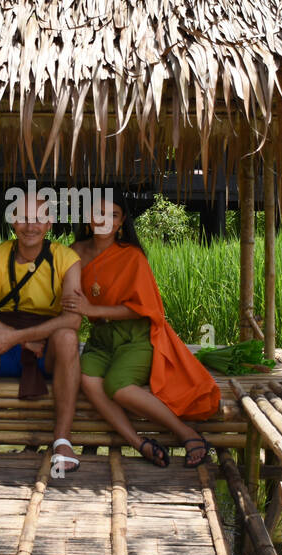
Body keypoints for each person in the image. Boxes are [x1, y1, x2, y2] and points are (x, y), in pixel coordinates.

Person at [64, 189, 221, 467]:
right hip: (100, 338)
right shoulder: (74, 252)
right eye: (98, 213)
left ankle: (187, 434)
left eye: (112, 215)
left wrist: (92, 310)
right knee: (87, 379)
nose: (104, 220)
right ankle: (138, 443)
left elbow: (147, 309)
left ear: (121, 221)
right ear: (87, 217)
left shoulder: (132, 256)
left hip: (136, 335)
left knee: (118, 386)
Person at [0, 193, 82, 473]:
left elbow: (72, 320)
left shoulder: (67, 258)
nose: (31, 226)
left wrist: (23, 338)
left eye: (38, 218)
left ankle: (62, 440)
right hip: (3, 348)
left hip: (47, 351)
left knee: (68, 338)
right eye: (23, 218)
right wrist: (17, 338)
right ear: (13, 222)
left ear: (49, 223)